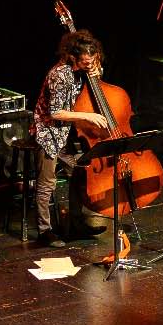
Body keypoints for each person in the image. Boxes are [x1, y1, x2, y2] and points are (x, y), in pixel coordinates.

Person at [31, 30, 111, 247]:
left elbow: (95, 80)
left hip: (66, 131)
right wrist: (88, 116)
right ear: (73, 56)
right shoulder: (60, 74)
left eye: (93, 59)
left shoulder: (83, 70)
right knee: (47, 183)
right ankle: (44, 231)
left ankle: (76, 223)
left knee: (78, 174)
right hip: (47, 131)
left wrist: (97, 71)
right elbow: (55, 112)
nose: (90, 64)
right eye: (86, 60)